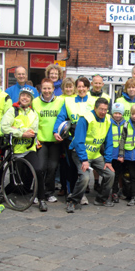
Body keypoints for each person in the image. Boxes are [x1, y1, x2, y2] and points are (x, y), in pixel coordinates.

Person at [65, 98, 116, 213]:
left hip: (95, 154)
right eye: (101, 109)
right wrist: (84, 160)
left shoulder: (108, 119)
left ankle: (101, 199)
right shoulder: (85, 119)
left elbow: (109, 142)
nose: (103, 112)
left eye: (105, 110)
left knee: (110, 174)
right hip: (80, 153)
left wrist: (108, 161)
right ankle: (73, 201)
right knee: (85, 177)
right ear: (95, 108)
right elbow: (78, 141)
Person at [0, 88, 47, 212]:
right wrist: (21, 132)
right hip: (15, 149)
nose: (25, 98)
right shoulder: (12, 111)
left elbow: (33, 131)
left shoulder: (33, 113)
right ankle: (3, 193)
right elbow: (5, 127)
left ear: (31, 100)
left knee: (38, 170)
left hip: (29, 148)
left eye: (28, 96)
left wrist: (16, 128)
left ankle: (41, 199)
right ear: (19, 97)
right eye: (23, 95)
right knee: (17, 180)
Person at [54, 77, 96, 205]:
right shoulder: (68, 101)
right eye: (79, 86)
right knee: (71, 168)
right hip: (72, 141)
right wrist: (56, 131)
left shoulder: (94, 101)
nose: (81, 89)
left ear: (88, 88)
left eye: (84, 86)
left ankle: (81, 193)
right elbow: (61, 117)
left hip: (89, 141)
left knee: (84, 168)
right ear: (76, 88)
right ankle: (72, 192)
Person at [32, 78, 65, 204]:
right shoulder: (35, 102)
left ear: (53, 89)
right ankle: (37, 193)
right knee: (40, 168)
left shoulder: (60, 101)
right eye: (44, 88)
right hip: (41, 140)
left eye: (49, 88)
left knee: (52, 168)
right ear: (40, 88)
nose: (47, 91)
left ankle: (49, 192)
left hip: (55, 142)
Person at [57, 77, 76, 197]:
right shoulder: (59, 99)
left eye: (70, 86)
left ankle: (72, 188)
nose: (68, 89)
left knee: (72, 163)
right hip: (61, 135)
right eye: (66, 86)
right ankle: (63, 186)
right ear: (63, 88)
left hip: (72, 136)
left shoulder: (76, 99)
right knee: (62, 163)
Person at [110, 103, 127, 203]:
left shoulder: (126, 123)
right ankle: (113, 192)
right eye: (115, 113)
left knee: (122, 173)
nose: (117, 115)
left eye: (119, 113)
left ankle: (121, 190)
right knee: (114, 174)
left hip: (122, 153)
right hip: (112, 153)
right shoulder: (108, 122)